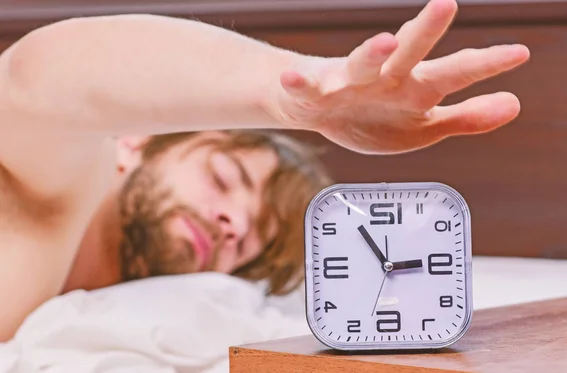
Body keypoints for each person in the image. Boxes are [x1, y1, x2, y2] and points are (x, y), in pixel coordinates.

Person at [0, 0, 530, 342]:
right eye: (223, 177)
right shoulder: (63, 174)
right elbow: (41, 77)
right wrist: (278, 94)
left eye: (251, 243)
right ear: (138, 141)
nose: (232, 223)